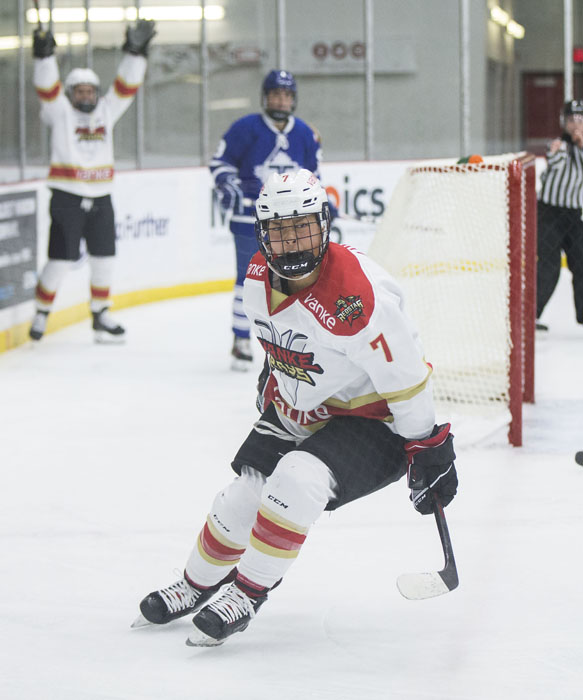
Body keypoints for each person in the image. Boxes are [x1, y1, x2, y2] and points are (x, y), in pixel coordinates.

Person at [133, 169, 458, 648]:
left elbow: (406, 378)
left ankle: (247, 593)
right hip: (303, 405)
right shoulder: (258, 278)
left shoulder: (358, 295)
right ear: (264, 233)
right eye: (280, 230)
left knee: (297, 480)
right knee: (243, 497)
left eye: (302, 225)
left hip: (373, 420)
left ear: (323, 223)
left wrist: (427, 444)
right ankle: (195, 584)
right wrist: (274, 377)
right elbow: (281, 342)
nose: (292, 239)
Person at [28, 19, 156, 343]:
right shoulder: (59, 112)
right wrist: (44, 57)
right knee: (60, 259)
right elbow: (47, 87)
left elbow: (126, 86)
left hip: (101, 197)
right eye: (80, 91)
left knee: (105, 259)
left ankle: (100, 314)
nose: (86, 95)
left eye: (90, 91)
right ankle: (42, 313)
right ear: (70, 94)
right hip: (66, 196)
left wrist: (135, 52)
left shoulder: (105, 111)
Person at [210, 69, 334, 371]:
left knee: (297, 278)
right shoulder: (244, 128)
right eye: (275, 94)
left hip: (291, 225)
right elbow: (220, 163)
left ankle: (299, 341)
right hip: (248, 220)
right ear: (265, 97)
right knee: (247, 279)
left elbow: (313, 176)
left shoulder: (305, 133)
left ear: (293, 100)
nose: (280, 100)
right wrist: (231, 187)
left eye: (286, 95)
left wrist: (320, 201)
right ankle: (241, 341)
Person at [536, 99, 583, 331]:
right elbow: (555, 161)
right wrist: (556, 150)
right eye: (571, 119)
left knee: (582, 262)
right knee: (549, 266)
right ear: (564, 122)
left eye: (580, 119)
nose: (575, 124)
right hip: (549, 214)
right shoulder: (559, 145)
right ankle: (531, 316)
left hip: (574, 216)